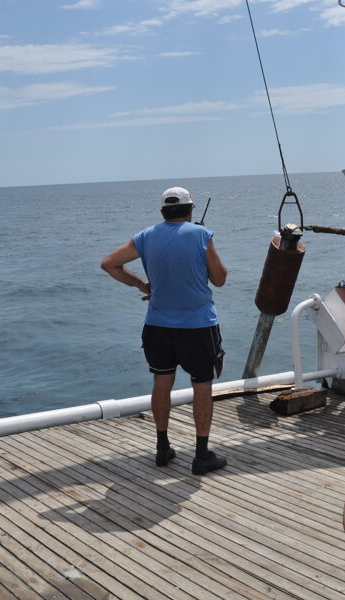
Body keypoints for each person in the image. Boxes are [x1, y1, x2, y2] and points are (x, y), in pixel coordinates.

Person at [101, 186, 228, 475]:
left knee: (161, 383)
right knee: (202, 385)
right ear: (191, 209)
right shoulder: (201, 235)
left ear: (162, 212)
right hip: (198, 327)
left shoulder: (145, 236)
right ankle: (201, 455)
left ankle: (162, 448)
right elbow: (219, 279)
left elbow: (109, 264)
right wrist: (203, 245)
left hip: (157, 327)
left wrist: (141, 285)